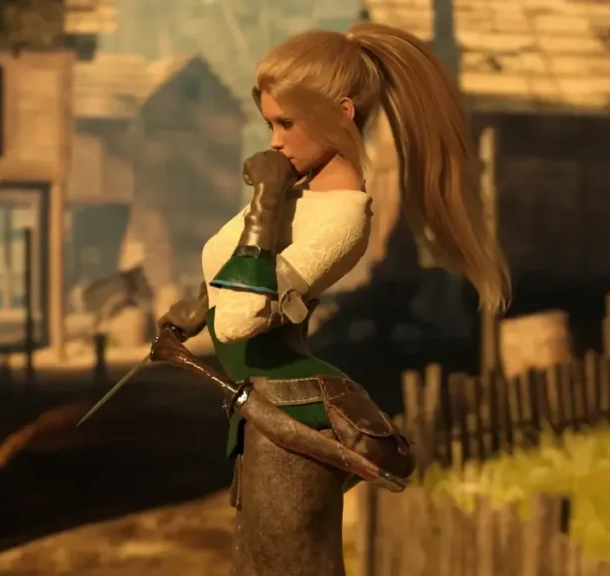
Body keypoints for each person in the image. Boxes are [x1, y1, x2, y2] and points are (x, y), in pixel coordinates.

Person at [156, 21, 511, 576]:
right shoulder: (297, 194)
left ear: (342, 113)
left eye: (287, 123)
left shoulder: (343, 218)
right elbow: (236, 278)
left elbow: (245, 316)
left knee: (289, 566)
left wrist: (265, 201)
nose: (275, 140)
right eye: (269, 123)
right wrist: (200, 305)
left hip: (290, 415)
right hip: (258, 407)